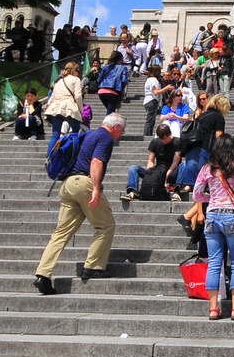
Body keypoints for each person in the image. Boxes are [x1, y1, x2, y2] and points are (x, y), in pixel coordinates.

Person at [32, 112, 123, 294]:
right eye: (122, 131)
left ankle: (43, 274)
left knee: (61, 233)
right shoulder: (105, 138)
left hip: (68, 184)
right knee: (105, 226)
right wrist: (96, 188)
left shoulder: (90, 134)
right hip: (84, 183)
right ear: (116, 128)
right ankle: (93, 267)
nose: (121, 134)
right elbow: (96, 161)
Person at [192, 136, 234, 320]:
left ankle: (214, 309)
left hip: (212, 215)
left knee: (214, 263)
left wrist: (209, 199)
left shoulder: (208, 168)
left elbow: (196, 194)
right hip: (231, 215)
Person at [174, 95, 230, 196]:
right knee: (206, 168)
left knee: (191, 165)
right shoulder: (218, 117)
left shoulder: (202, 115)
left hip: (192, 144)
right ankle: (204, 188)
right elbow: (219, 136)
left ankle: (188, 187)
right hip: (205, 146)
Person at [123, 123, 178, 200]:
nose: (163, 141)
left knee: (184, 166)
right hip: (158, 171)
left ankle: (177, 190)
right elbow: (150, 160)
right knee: (133, 168)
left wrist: (165, 176)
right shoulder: (155, 142)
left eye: (165, 138)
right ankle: (132, 191)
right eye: (161, 139)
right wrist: (151, 173)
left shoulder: (177, 142)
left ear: (170, 134)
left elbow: (175, 162)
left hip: (172, 172)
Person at [43, 61, 86, 147]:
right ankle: (75, 154)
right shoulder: (76, 79)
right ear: (74, 71)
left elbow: (53, 96)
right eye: (78, 71)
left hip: (56, 108)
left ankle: (49, 158)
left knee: (55, 135)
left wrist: (49, 105)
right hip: (69, 107)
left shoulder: (59, 81)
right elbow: (77, 96)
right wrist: (80, 109)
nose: (78, 73)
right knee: (76, 133)